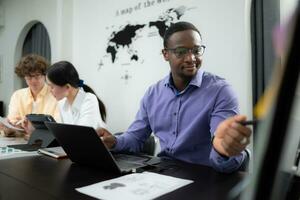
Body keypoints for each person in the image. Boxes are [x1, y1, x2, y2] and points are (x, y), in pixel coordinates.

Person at [97, 21, 252, 173]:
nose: (191, 58)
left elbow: (221, 142)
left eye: (197, 50)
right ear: (166, 54)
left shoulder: (220, 91)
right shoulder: (152, 94)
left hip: (204, 177)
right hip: (163, 173)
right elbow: (135, 138)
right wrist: (114, 142)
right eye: (181, 51)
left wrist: (223, 149)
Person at [0, 54, 60, 139]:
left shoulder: (55, 94)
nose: (33, 81)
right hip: (21, 141)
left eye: (37, 76)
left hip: (48, 142)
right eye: (29, 77)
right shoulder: (18, 95)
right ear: (24, 77)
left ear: (45, 75)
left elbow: (57, 124)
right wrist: (9, 128)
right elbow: (13, 121)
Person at [46, 61, 106, 129]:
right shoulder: (62, 104)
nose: (49, 91)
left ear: (67, 87)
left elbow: (82, 134)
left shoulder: (89, 100)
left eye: (52, 87)